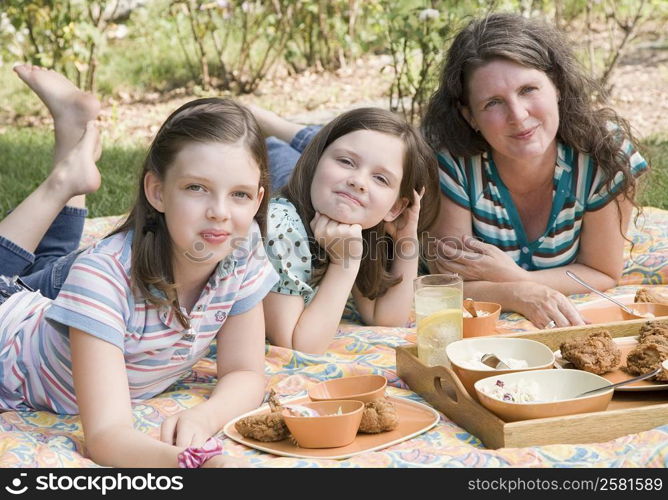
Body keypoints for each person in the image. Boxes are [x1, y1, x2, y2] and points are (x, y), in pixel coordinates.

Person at [0, 66, 279, 468]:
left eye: (239, 194)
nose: (220, 212)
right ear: (157, 191)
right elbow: (107, 438)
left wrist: (205, 416)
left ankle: (70, 148)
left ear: (257, 199)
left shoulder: (243, 246)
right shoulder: (102, 277)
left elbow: (245, 372)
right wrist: (196, 465)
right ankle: (64, 179)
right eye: (196, 188)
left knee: (48, 261)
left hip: (38, 313)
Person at [421, 13, 649, 329]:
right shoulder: (451, 162)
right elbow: (449, 284)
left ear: (556, 85)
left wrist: (513, 277)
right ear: (470, 115)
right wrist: (520, 294)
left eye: (528, 89)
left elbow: (603, 272)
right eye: (493, 103)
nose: (518, 115)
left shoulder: (603, 152)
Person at [250, 106, 441, 354]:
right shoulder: (281, 227)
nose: (358, 182)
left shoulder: (356, 223)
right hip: (289, 186)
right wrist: (344, 264)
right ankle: (269, 133)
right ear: (316, 159)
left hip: (323, 193)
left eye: (381, 178)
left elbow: (386, 319)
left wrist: (406, 238)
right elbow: (298, 346)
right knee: (277, 158)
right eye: (346, 161)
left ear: (395, 207)